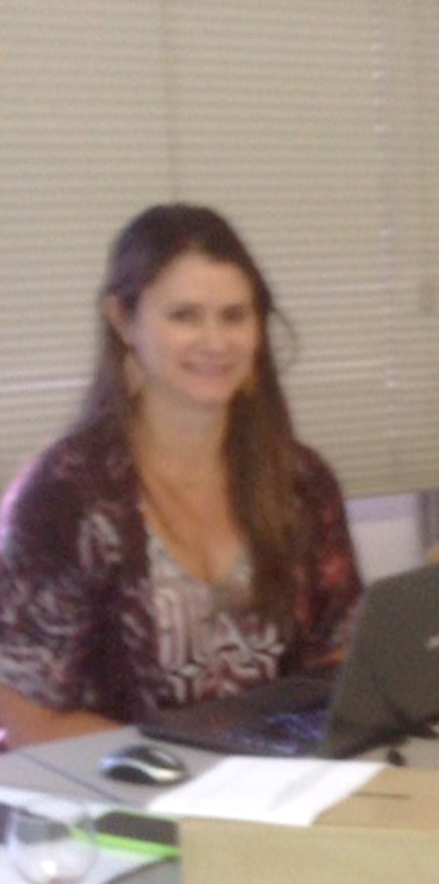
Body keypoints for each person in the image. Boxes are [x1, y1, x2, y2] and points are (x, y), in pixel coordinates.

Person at [0, 203, 362, 746]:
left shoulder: (301, 484)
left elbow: (340, 659)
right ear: (124, 321)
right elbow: (27, 718)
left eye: (234, 316)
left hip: (278, 782)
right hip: (115, 790)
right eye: (184, 316)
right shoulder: (63, 498)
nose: (215, 342)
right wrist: (199, 773)